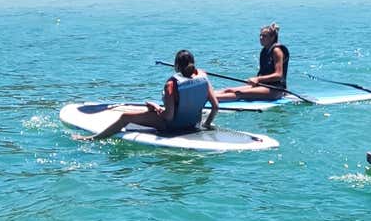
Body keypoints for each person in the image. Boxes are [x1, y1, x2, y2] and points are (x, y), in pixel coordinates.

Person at [74, 50, 219, 140]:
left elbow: (168, 117)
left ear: (176, 66)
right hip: (193, 124)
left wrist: (156, 108)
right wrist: (205, 124)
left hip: (173, 126)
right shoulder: (204, 77)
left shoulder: (171, 85)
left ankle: (92, 138)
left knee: (124, 117)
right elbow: (215, 106)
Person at [214, 23, 290, 101]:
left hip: (275, 89)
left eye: (264, 36)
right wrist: (258, 81)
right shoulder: (264, 50)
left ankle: (211, 99)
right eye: (260, 35)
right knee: (228, 90)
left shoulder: (277, 51)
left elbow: (278, 75)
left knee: (239, 93)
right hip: (263, 86)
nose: (261, 38)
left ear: (272, 37)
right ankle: (206, 96)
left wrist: (258, 79)